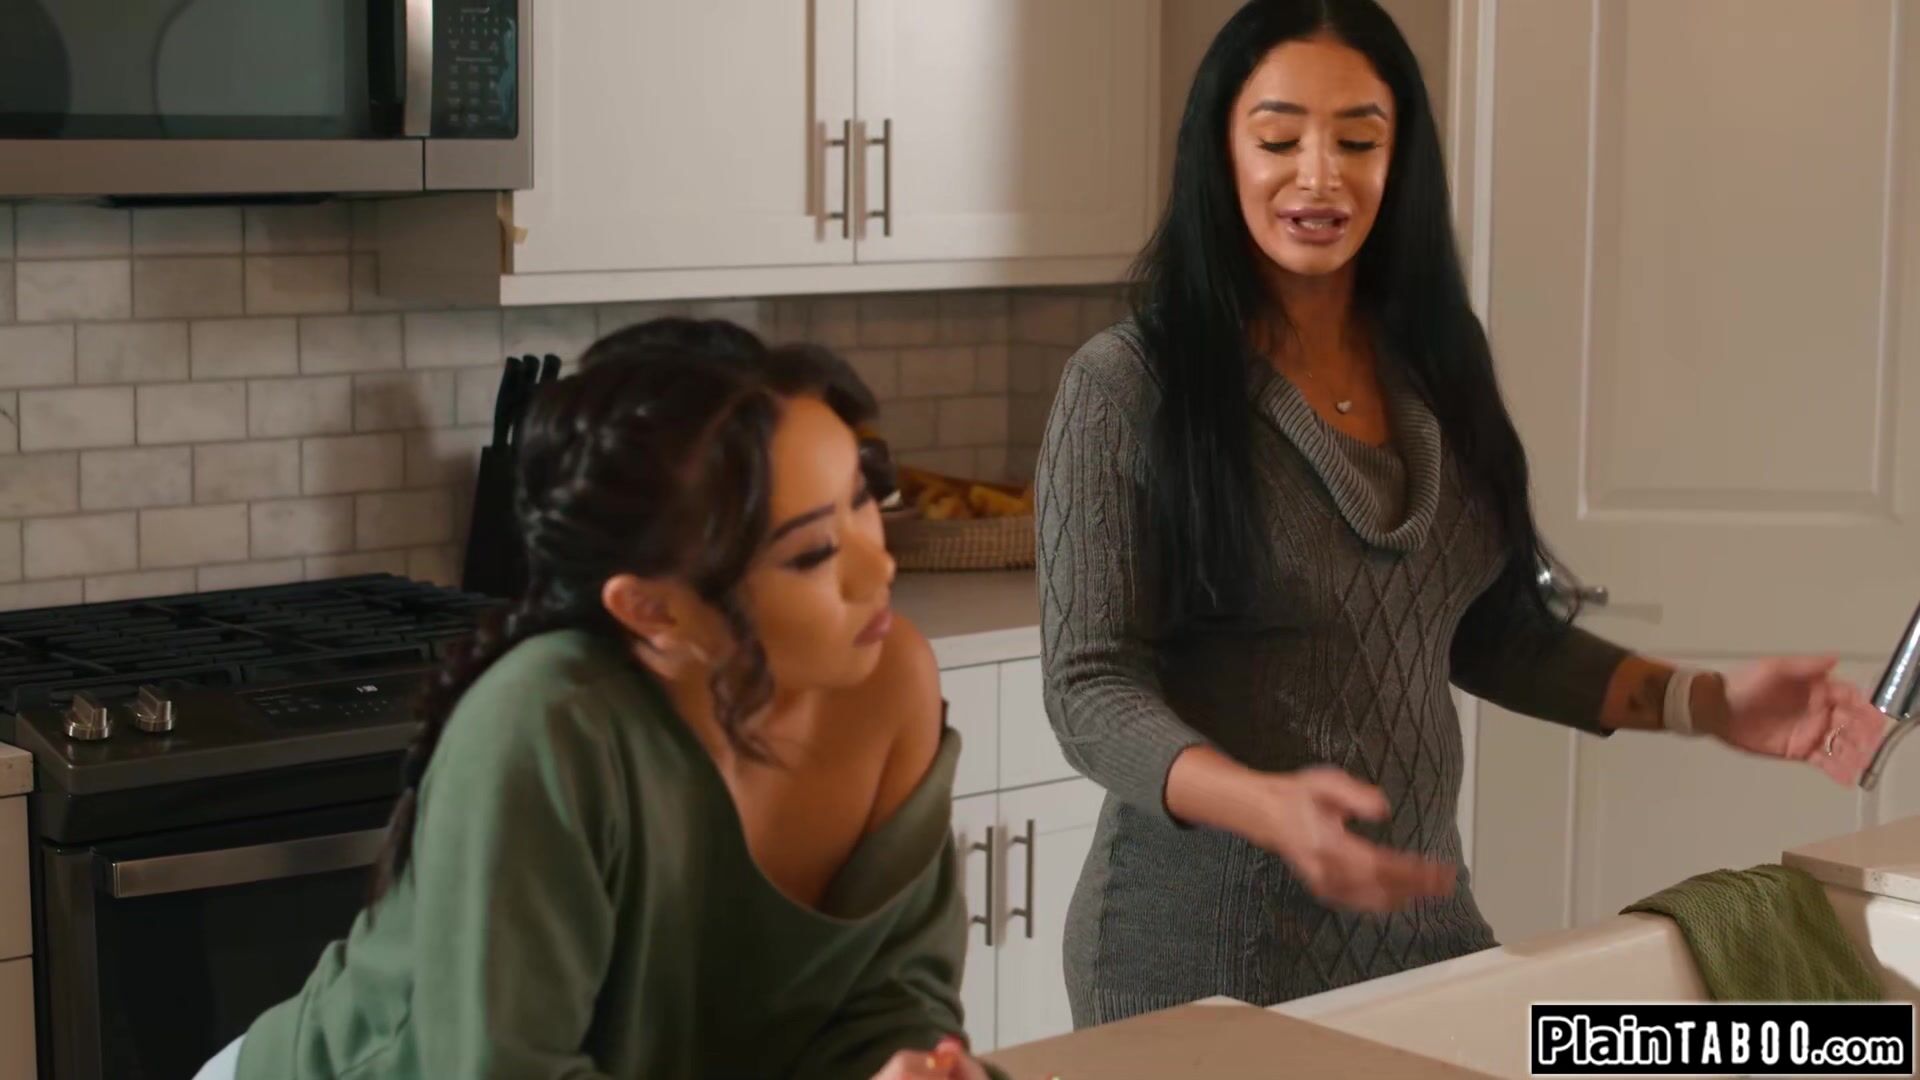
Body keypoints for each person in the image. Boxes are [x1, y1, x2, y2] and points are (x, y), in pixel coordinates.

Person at [1033, 0, 1881, 1028]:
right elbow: (1090, 688)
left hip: (1423, 943)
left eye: (1358, 141)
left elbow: (1489, 631)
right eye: (1278, 139)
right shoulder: (1126, 385)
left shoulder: (1437, 357)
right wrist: (1266, 808)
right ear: (1221, 155)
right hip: (1197, 968)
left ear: (1402, 161)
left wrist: (1705, 702)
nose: (1319, 175)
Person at [197, 319, 996, 1080]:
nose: (879, 568)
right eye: (814, 552)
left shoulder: (887, 677)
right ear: (653, 610)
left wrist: (916, 1066)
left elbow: (896, 993)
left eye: (866, 499)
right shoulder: (548, 723)